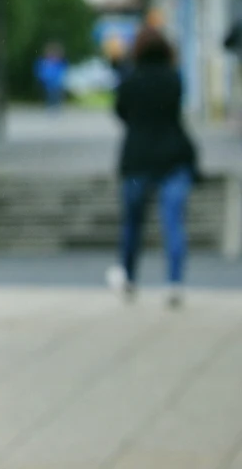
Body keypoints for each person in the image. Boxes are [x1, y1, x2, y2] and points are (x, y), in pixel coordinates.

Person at [110, 26, 198, 307]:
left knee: (133, 223)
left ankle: (129, 277)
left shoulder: (130, 80)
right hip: (173, 156)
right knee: (173, 222)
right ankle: (174, 282)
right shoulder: (174, 79)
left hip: (137, 158)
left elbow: (120, 112)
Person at [34, 42, 67, 110]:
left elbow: (62, 72)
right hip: (49, 82)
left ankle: (55, 106)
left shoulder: (59, 63)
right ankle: (51, 106)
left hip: (57, 82)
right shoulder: (45, 62)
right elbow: (41, 71)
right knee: (50, 94)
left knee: (56, 94)